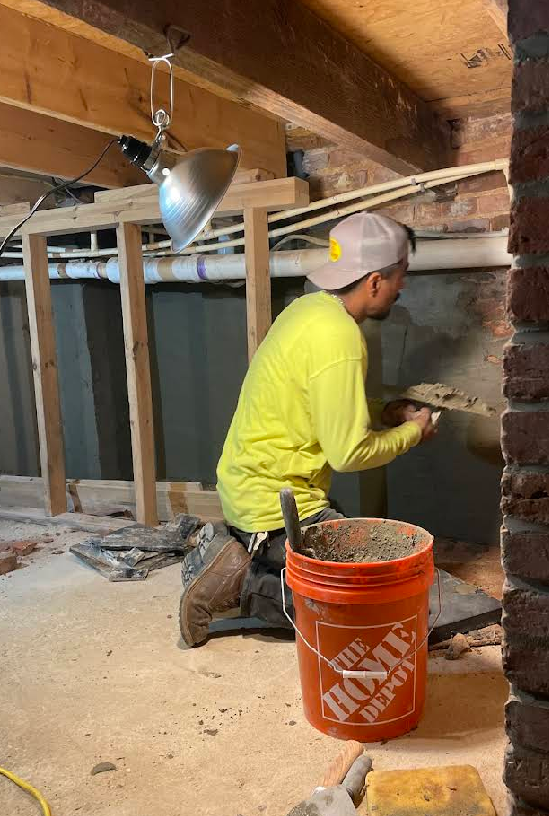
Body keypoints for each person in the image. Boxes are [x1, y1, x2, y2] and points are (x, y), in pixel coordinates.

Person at [179, 212, 437, 647]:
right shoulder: (340, 339)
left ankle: (245, 549)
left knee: (346, 560)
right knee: (359, 607)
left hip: (251, 485)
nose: (402, 287)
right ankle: (235, 588)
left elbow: (320, 402)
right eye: (400, 277)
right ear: (374, 281)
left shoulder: (307, 311)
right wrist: (413, 433)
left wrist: (384, 411)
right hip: (274, 503)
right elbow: (349, 454)